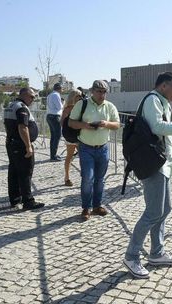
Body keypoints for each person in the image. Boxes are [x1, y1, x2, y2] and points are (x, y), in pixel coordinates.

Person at [123, 72, 172, 279]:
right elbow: (157, 127)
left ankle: (157, 253)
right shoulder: (153, 100)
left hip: (160, 163)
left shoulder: (160, 102)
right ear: (164, 86)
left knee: (164, 210)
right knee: (153, 212)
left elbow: (156, 133)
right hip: (153, 165)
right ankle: (131, 256)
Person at [68, 80, 120, 221]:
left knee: (100, 179)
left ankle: (97, 205)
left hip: (103, 148)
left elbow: (117, 124)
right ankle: (86, 207)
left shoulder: (110, 107)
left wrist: (106, 124)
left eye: (104, 92)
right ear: (92, 91)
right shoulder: (82, 104)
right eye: (99, 91)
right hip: (86, 148)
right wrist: (84, 125)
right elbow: (71, 123)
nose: (102, 95)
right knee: (87, 178)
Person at [4, 87, 45, 210]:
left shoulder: (11, 105)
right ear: (24, 95)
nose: (33, 99)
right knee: (26, 172)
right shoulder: (21, 107)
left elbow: (8, 124)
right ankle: (28, 201)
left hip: (12, 143)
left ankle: (15, 199)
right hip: (20, 145)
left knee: (14, 171)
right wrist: (28, 146)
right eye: (32, 97)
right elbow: (23, 127)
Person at [61, 88, 83, 186]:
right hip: (75, 135)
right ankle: (68, 177)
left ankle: (67, 177)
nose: (81, 98)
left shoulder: (68, 108)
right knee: (76, 156)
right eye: (79, 96)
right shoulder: (72, 108)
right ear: (75, 97)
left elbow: (61, 122)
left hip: (72, 135)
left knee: (71, 156)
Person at [46, 83, 64, 161]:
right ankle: (53, 156)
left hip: (49, 116)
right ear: (59, 88)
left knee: (53, 136)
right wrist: (63, 102)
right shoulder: (56, 95)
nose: (62, 90)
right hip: (55, 116)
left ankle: (52, 155)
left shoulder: (50, 95)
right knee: (57, 136)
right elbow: (59, 107)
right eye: (62, 88)